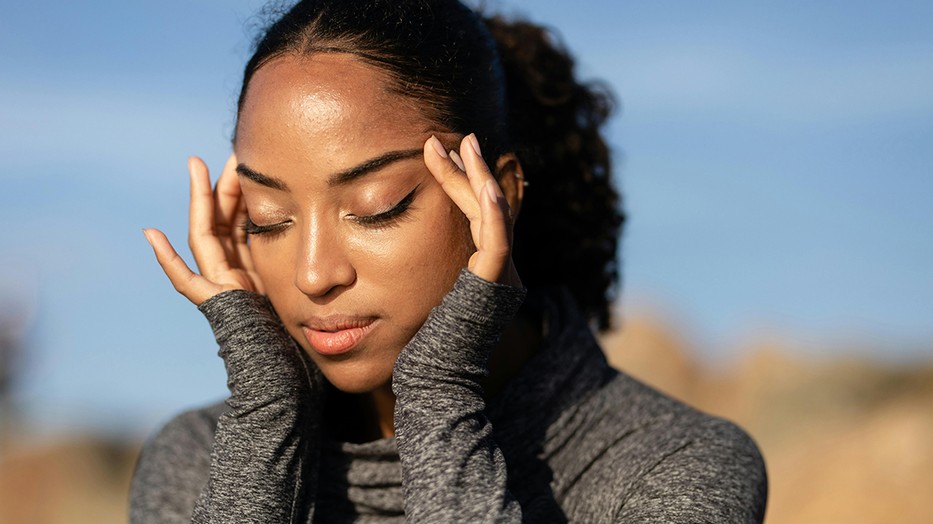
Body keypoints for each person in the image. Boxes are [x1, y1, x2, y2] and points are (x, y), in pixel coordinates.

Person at [131, 0, 768, 522]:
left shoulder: (673, 465)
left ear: (500, 196)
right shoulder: (198, 459)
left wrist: (437, 393)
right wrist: (267, 418)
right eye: (270, 218)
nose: (314, 274)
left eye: (376, 208)